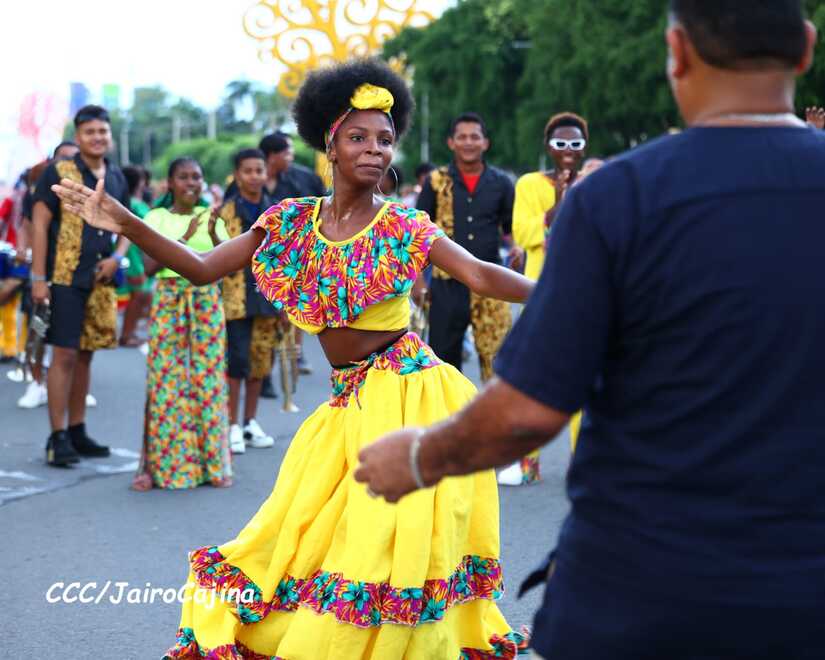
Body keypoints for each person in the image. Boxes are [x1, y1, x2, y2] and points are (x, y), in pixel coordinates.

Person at [356, 2, 825, 658]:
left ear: (677, 52)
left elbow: (525, 412)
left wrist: (417, 457)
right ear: (804, 49)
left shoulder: (618, 198)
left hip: (638, 597)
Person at [52, 57, 534, 660]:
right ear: (329, 144)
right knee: (311, 538)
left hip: (411, 397)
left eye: (385, 140)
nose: (375, 150)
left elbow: (480, 274)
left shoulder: (405, 224)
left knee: (388, 547)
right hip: (349, 401)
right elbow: (201, 268)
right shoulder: (290, 224)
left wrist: (566, 291)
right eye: (358, 137)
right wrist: (125, 222)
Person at [31, 105, 129, 467]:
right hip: (63, 277)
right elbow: (39, 224)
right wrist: (38, 279)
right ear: (77, 137)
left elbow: (127, 225)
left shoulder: (116, 176)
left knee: (87, 354)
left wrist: (117, 258)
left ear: (109, 135)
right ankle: (57, 437)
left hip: (101, 278)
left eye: (103, 131)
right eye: (90, 132)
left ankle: (77, 429)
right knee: (65, 354)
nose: (98, 138)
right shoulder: (60, 172)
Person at [497, 113, 590, 486]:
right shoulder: (528, 183)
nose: (568, 151)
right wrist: (560, 202)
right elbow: (523, 231)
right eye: (561, 143)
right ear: (549, 146)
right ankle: (526, 462)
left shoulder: (597, 183)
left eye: (575, 144)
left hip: (586, 291)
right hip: (540, 290)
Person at [129, 157, 231, 491]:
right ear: (170, 183)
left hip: (205, 301)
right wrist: (183, 240)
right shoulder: (155, 218)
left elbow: (227, 267)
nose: (192, 183)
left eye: (197, 177)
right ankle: (153, 467)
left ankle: (214, 465)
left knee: (208, 380)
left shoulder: (212, 217)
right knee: (165, 382)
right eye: (184, 177)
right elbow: (147, 267)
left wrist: (216, 232)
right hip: (169, 301)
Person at [417, 112, 517, 382]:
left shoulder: (502, 183)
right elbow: (415, 234)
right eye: (462, 137)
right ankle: (447, 421)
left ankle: (497, 421)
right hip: (446, 283)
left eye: (475, 137)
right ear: (451, 142)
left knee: (500, 359)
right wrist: (418, 283)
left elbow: (511, 230)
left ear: (486, 143)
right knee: (442, 362)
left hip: (491, 282)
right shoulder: (436, 182)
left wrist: (518, 250)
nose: (468, 142)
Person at [219, 148, 277, 454]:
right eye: (248, 171)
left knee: (260, 362)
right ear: (237, 175)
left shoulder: (276, 211)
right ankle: (230, 425)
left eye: (259, 170)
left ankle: (249, 422)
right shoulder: (225, 211)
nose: (255, 176)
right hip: (236, 297)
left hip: (268, 296)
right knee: (237, 363)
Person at [258, 130, 327, 385]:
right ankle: (263, 366)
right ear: (272, 156)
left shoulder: (303, 179)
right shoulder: (251, 176)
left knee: (293, 307)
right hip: (260, 258)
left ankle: (295, 355)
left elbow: (324, 206)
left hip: (297, 255)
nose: (291, 157)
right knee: (265, 314)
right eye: (286, 152)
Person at [118, 165, 153, 347]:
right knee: (137, 295)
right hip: (132, 255)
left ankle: (128, 332)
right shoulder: (133, 204)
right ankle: (126, 334)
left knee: (140, 296)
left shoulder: (128, 203)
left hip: (136, 255)